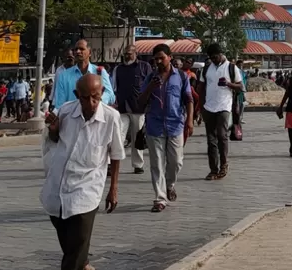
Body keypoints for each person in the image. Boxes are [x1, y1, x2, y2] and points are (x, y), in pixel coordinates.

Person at [42, 71, 122, 270]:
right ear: (78, 96)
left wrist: (113, 188)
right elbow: (53, 140)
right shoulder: (66, 111)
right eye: (86, 98)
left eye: (96, 97)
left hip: (88, 188)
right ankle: (85, 269)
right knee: (69, 240)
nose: (91, 103)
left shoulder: (111, 118)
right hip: (59, 185)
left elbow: (116, 154)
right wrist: (53, 129)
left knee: (77, 241)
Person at [138, 43, 194, 212]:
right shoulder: (150, 78)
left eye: (162, 58)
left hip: (175, 124)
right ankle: (160, 198)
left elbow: (189, 99)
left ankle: (170, 184)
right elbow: (140, 101)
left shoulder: (181, 77)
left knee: (176, 161)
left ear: (170, 57)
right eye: (156, 59)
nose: (159, 62)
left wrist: (190, 120)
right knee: (156, 164)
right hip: (154, 126)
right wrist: (151, 87)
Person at [202, 44, 241, 178]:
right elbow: (201, 87)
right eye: (210, 58)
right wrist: (201, 106)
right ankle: (213, 169)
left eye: (214, 57)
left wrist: (229, 84)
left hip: (224, 106)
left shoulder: (231, 67)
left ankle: (224, 164)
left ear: (221, 54)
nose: (213, 60)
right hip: (209, 107)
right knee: (211, 140)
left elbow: (240, 86)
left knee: (221, 135)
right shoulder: (207, 68)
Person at [112, 46, 150, 175]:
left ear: (135, 54)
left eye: (129, 54)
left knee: (137, 137)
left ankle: (138, 165)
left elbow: (150, 86)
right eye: (125, 54)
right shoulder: (118, 69)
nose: (127, 56)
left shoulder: (144, 67)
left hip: (138, 108)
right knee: (118, 136)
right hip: (122, 108)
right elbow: (114, 87)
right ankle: (113, 164)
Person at [52, 39, 114, 109]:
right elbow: (59, 105)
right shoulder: (63, 76)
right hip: (72, 117)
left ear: (89, 52)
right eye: (75, 49)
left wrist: (96, 101)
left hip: (96, 116)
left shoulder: (99, 72)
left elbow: (111, 96)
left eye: (81, 49)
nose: (78, 52)